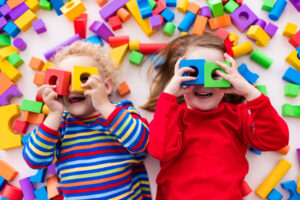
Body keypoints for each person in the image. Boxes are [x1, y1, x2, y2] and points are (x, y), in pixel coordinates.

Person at [142, 33, 289, 199]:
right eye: (194, 73)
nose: (204, 83)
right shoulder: (170, 115)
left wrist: (249, 92)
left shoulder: (237, 116)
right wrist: (169, 95)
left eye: (214, 74)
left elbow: (277, 140)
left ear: (229, 78)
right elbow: (160, 151)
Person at [23, 41, 151, 200]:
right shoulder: (60, 125)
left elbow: (140, 143)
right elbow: (34, 160)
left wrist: (104, 105)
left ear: (106, 87)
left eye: (83, 79)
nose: (73, 88)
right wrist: (55, 113)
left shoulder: (121, 113)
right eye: (65, 82)